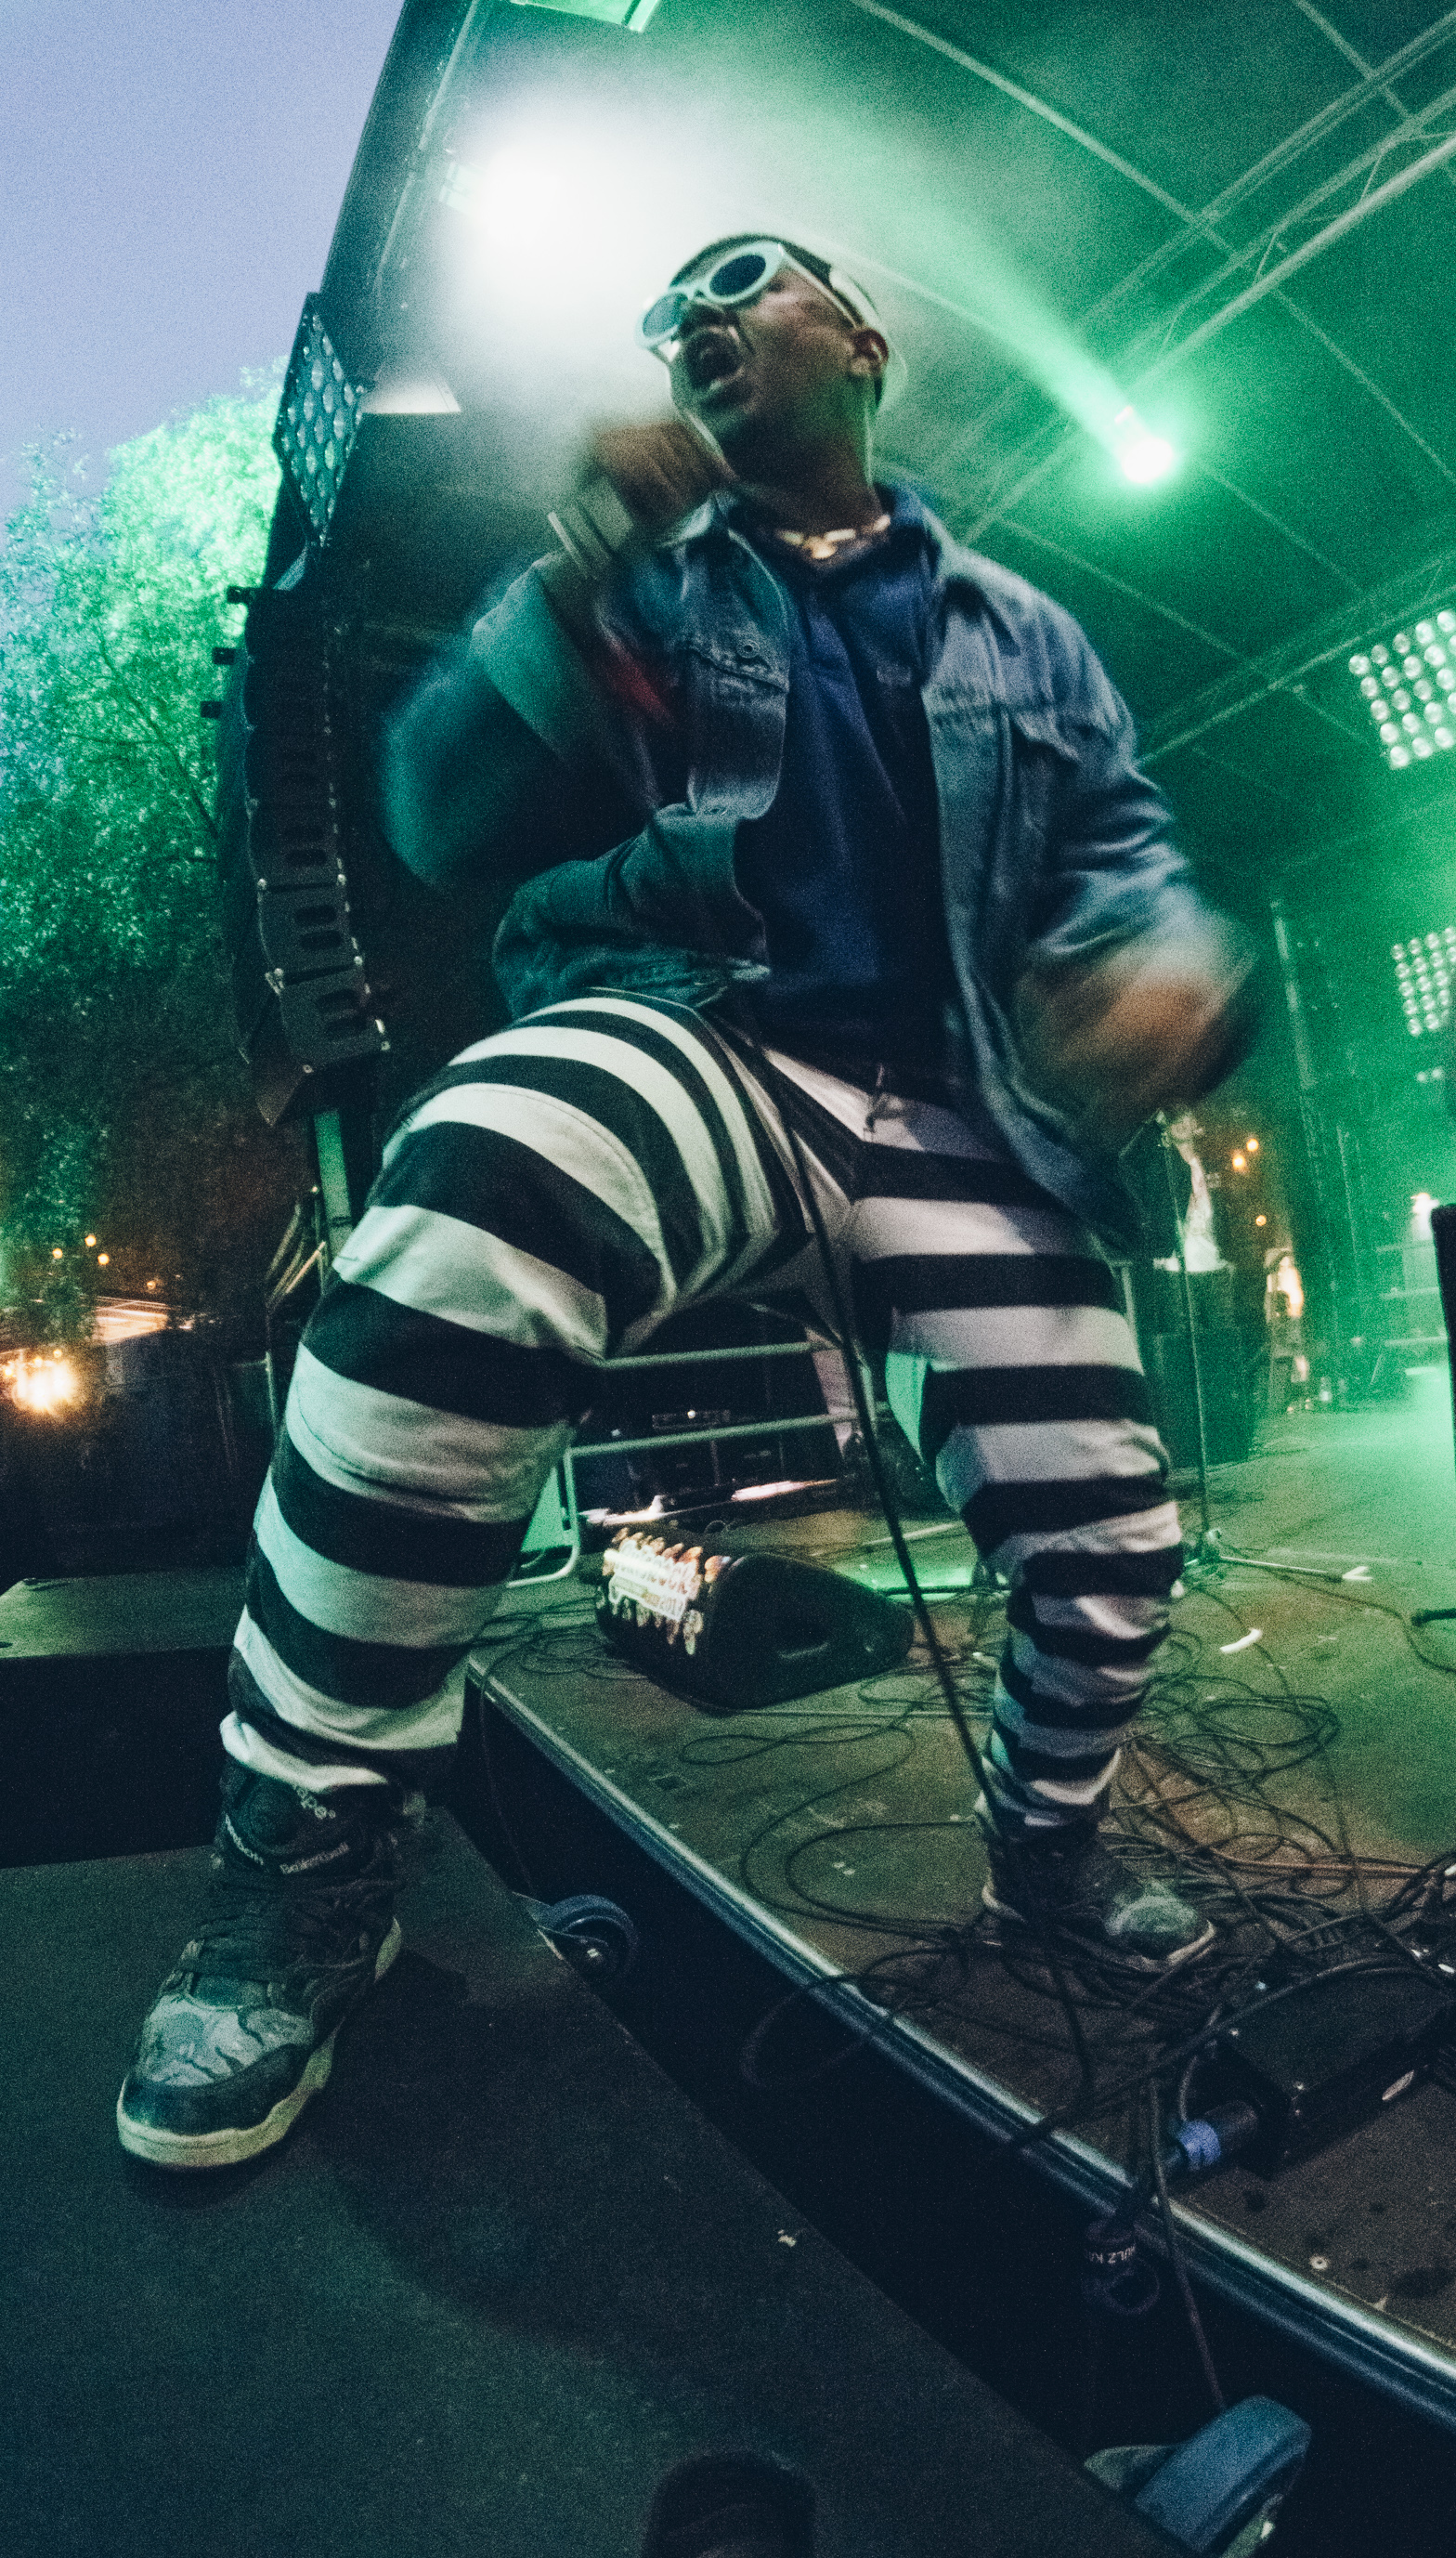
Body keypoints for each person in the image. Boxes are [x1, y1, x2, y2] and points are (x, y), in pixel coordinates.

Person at [118, 235, 1255, 2169]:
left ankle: (1046, 1847)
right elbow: (436, 820)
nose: (693, 322)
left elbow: (1125, 859)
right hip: (716, 1036)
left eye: (741, 281)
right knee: (478, 1185)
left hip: (962, 1109)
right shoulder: (650, 576)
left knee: (1111, 1543)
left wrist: (1181, 975)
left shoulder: (1024, 635)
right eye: (668, 316)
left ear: (861, 338)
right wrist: (576, 567)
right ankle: (307, 1857)